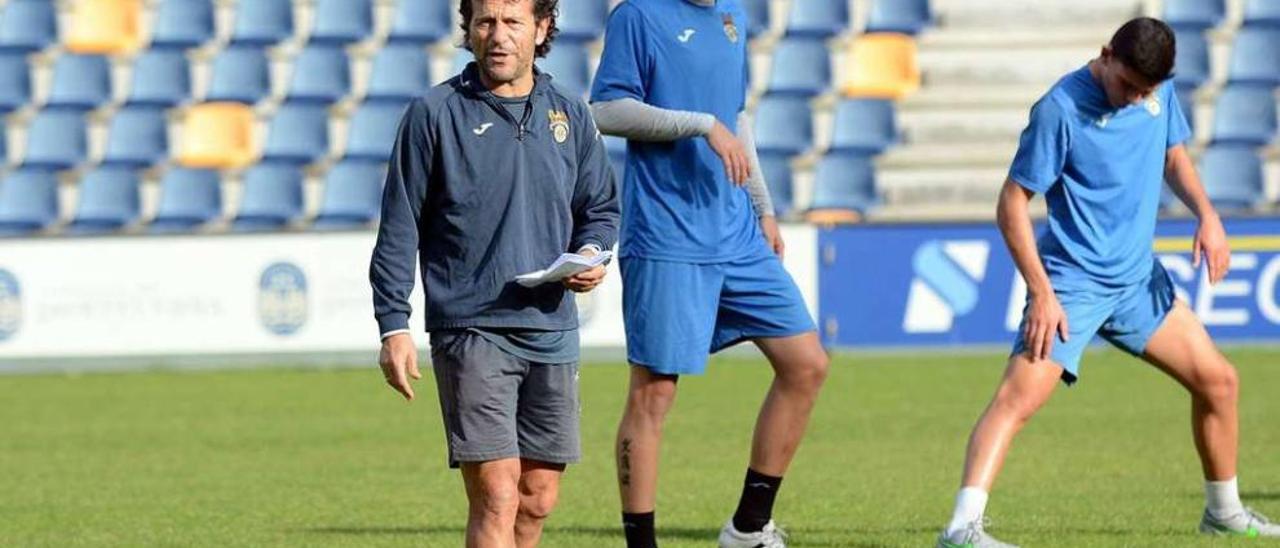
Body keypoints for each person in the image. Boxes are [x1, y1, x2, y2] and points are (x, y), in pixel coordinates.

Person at [935, 17, 1280, 548]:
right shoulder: (1059, 110)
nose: (1135, 98)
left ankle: (1223, 513)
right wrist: (1043, 293)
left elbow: (1173, 157)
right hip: (1073, 284)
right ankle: (961, 529)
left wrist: (1207, 216)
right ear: (1105, 55)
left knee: (1219, 381)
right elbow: (1010, 204)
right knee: (1017, 401)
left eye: (1146, 90)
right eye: (1128, 86)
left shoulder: (1157, 92)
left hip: (1137, 283)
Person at [368, 0, 619, 546]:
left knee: (536, 500)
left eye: (512, 22)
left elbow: (599, 208)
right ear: (469, 29)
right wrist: (394, 325)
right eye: (485, 22)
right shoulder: (433, 113)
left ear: (542, 28)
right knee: (497, 494)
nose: (497, 36)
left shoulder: (569, 114)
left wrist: (594, 252)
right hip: (471, 328)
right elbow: (399, 224)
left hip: (552, 328)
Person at [589, 1, 830, 546]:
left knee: (806, 364)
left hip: (738, 230)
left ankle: (747, 528)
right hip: (668, 236)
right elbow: (605, 110)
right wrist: (699, 126)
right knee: (654, 394)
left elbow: (735, 116)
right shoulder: (639, 16)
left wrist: (762, 205)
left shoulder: (733, 16)